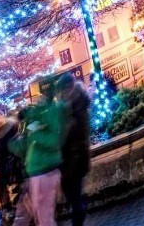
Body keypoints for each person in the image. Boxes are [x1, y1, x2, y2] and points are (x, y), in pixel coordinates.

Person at [10, 84, 65, 226]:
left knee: (44, 218)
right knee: (42, 216)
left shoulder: (46, 117)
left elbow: (53, 141)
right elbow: (21, 147)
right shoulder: (35, 121)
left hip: (43, 172)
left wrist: (33, 135)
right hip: (38, 172)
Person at [58, 73, 90, 226]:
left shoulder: (78, 103)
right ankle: (81, 209)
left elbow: (78, 132)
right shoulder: (70, 104)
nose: (62, 94)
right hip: (70, 159)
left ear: (70, 87)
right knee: (73, 198)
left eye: (64, 90)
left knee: (75, 199)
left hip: (75, 159)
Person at [0, 108, 18, 217]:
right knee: (5, 183)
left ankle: (10, 205)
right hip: (6, 160)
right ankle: (8, 205)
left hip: (10, 159)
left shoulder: (10, 126)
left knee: (10, 182)